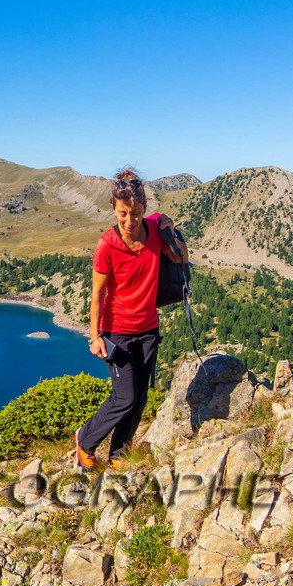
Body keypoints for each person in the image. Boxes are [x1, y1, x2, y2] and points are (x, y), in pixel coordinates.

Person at [75, 167, 187, 471]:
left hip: (149, 328)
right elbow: (97, 295)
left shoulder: (154, 229)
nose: (129, 220)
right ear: (114, 208)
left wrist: (170, 230)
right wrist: (95, 336)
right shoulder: (106, 245)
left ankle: (119, 453)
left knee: (140, 398)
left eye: (135, 213)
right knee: (124, 396)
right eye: (123, 213)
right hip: (116, 333)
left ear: (144, 209)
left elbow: (181, 258)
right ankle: (85, 440)